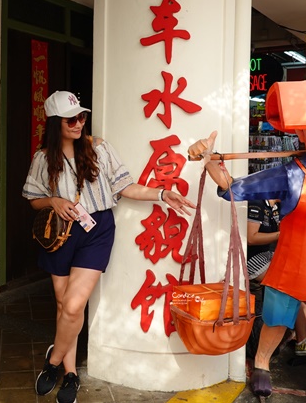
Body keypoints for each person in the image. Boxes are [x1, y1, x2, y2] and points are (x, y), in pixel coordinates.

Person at [23, 91, 195, 403]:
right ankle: (71, 374)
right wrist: (54, 200)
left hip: (96, 231)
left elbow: (125, 186)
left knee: (74, 306)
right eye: (71, 119)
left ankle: (53, 361)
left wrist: (162, 194)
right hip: (61, 234)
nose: (79, 123)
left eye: (81, 117)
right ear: (54, 124)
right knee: (64, 307)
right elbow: (33, 198)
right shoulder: (42, 159)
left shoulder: (98, 149)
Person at [189, 127, 306, 403]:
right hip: (292, 261)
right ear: (301, 135)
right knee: (276, 321)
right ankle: (261, 363)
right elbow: (233, 188)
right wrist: (210, 158)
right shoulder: (288, 173)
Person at [246, 199, 306, 358]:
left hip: (268, 255)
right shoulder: (257, 204)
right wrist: (281, 234)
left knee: (304, 281)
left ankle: (299, 336)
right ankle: (301, 340)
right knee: (294, 286)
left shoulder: (277, 206)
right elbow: (251, 238)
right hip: (250, 259)